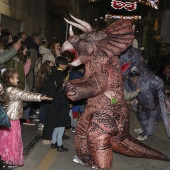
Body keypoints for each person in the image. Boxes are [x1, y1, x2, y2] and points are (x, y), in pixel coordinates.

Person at [0, 68, 52, 168]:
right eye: (16, 78)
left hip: (6, 120)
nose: (18, 80)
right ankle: (11, 161)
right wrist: (40, 97)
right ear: (10, 80)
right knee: (13, 141)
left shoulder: (6, 90)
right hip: (13, 120)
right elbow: (26, 95)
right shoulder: (14, 91)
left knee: (5, 141)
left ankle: (5, 159)